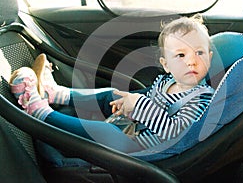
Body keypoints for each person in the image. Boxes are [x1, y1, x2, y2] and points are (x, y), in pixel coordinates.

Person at [9, 14, 214, 153]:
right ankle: (56, 93)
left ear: (210, 58)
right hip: (138, 126)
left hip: (143, 147)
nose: (191, 61)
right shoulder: (167, 80)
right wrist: (129, 106)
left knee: (105, 131)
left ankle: (40, 112)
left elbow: (175, 133)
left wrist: (140, 107)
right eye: (180, 54)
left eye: (199, 53)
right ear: (166, 65)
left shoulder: (202, 98)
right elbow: (152, 101)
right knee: (113, 94)